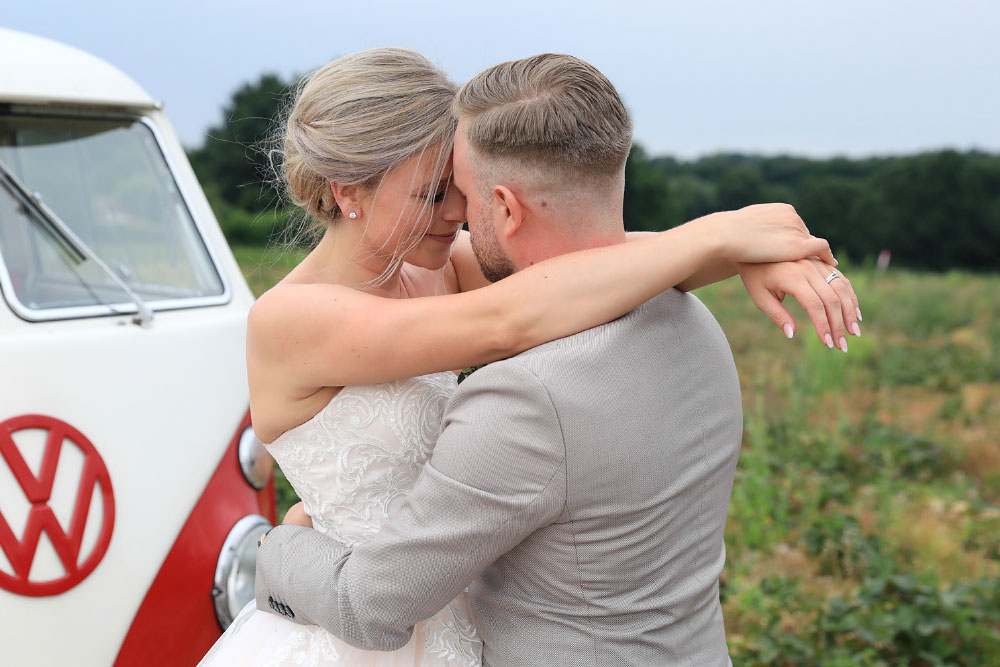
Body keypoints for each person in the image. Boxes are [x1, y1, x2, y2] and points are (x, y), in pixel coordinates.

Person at [200, 49, 860, 667]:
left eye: (459, 186)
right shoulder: (291, 319)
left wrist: (744, 247)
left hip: (452, 611)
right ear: (349, 191)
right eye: (434, 193)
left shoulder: (438, 268)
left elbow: (585, 259)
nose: (460, 213)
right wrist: (721, 235)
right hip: (355, 617)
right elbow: (509, 318)